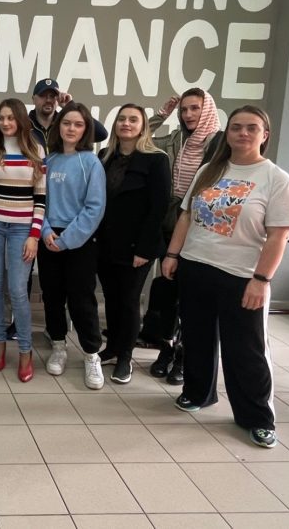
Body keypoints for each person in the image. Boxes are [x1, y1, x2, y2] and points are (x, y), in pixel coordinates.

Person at [162, 105, 289, 449]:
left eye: (252, 128)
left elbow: (278, 235)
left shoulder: (277, 179)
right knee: (197, 338)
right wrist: (173, 255)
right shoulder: (209, 170)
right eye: (236, 127)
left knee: (246, 349)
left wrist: (261, 280)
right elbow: (186, 216)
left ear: (264, 135)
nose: (243, 133)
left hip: (242, 276)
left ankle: (257, 418)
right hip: (196, 266)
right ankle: (198, 393)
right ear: (228, 133)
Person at [142, 88, 224, 383]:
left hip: (200, 227)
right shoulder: (176, 139)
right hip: (171, 222)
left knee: (191, 296)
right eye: (184, 109)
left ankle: (184, 355)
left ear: (207, 109)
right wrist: (161, 114)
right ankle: (166, 348)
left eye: (195, 108)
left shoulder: (220, 143)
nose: (188, 114)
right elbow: (142, 137)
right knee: (168, 290)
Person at [95, 104, 171, 384]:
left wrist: (144, 249)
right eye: (122, 119)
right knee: (111, 298)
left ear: (143, 127)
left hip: (137, 246)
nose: (126, 123)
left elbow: (158, 208)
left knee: (129, 300)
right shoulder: (105, 156)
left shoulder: (156, 160)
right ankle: (112, 347)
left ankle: (125, 357)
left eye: (133, 120)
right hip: (106, 242)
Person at [0, 98, 45, 383]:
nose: (5, 123)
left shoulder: (36, 151)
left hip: (21, 229)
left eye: (11, 118)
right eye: (1, 118)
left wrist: (34, 236)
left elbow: (41, 199)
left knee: (16, 290)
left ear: (21, 120)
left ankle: (25, 351)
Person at [40, 102, 106, 389]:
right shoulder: (49, 160)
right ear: (59, 127)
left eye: (78, 124)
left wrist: (67, 239)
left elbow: (94, 208)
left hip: (78, 239)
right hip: (48, 237)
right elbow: (39, 201)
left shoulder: (91, 163)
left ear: (85, 130)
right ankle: (58, 345)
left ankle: (91, 354)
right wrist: (45, 231)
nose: (71, 129)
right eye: (67, 123)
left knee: (81, 299)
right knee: (52, 295)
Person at [28, 78, 108, 147]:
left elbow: (101, 134)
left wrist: (70, 105)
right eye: (42, 95)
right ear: (33, 99)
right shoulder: (24, 124)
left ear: (58, 99)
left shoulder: (65, 123)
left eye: (52, 96)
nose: (48, 100)